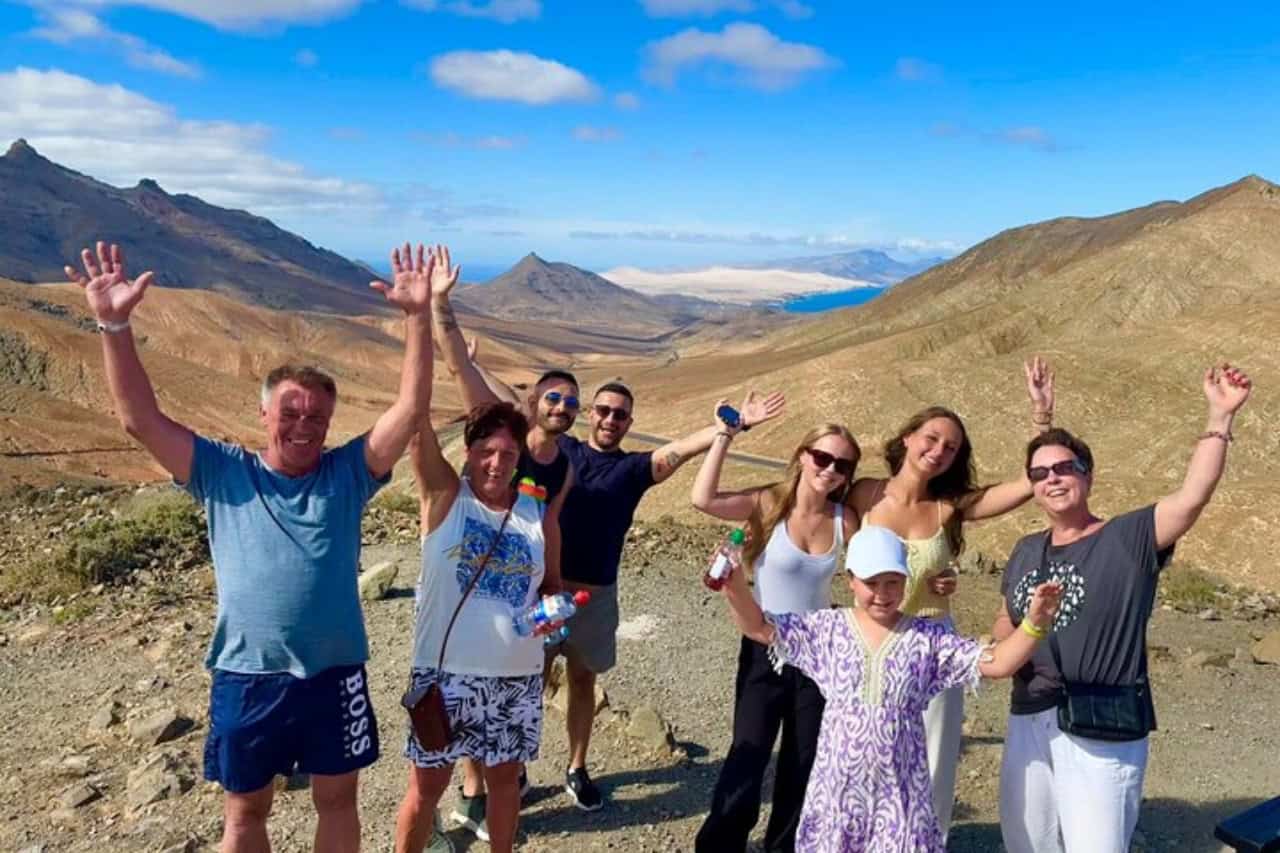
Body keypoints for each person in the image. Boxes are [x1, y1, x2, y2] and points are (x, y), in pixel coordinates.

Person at [65, 241, 439, 853]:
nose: (303, 424)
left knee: (338, 800)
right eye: (290, 411)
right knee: (245, 810)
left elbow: (411, 407)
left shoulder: (347, 474)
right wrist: (113, 323)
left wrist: (419, 319)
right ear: (263, 413)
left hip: (334, 671)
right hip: (246, 673)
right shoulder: (221, 472)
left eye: (317, 416)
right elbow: (137, 418)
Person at [994, 364, 1252, 853]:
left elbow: (1193, 495)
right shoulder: (1027, 548)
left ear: (1088, 476)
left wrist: (1219, 418)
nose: (1052, 479)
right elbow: (1004, 620)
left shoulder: (1127, 538)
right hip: (1028, 715)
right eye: (1040, 474)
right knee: (1027, 842)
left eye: (1066, 468)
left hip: (1100, 722)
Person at [719, 524, 1064, 852]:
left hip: (901, 800)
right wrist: (735, 586)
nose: (883, 594)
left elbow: (998, 663)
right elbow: (760, 627)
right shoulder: (826, 630)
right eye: (872, 582)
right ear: (850, 580)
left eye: (893, 582)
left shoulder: (927, 639)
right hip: (836, 796)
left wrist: (1034, 624)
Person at [551, 381, 785, 809]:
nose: (610, 419)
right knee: (527, 681)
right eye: (603, 410)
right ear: (590, 412)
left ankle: (576, 767)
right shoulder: (560, 450)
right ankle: (513, 768)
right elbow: (515, 408)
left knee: (583, 681)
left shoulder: (631, 470)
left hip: (596, 595)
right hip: (545, 590)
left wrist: (727, 429)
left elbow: (676, 450)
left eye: (620, 415)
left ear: (629, 423)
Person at [846, 356, 1055, 835]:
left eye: (951, 447)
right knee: (868, 751)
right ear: (907, 440)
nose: (939, 451)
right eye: (932, 439)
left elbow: (1028, 484)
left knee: (935, 755)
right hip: (871, 643)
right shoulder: (864, 494)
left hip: (933, 643)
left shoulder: (949, 506)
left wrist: (1042, 417)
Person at [428, 269, 576, 838]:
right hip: (467, 584)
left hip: (525, 593)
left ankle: (499, 782)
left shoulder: (563, 463)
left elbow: (554, 526)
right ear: (534, 401)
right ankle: (472, 793)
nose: (561, 406)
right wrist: (442, 309)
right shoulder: (503, 430)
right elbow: (463, 372)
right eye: (553, 397)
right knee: (467, 682)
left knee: (517, 687)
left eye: (570, 401)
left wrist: (554, 592)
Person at [393, 337, 552, 853]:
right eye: (485, 451)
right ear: (468, 453)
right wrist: (423, 320)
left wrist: (556, 616)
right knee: (427, 789)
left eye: (508, 453)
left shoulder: (537, 513)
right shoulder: (445, 497)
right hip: (446, 678)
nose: (496, 463)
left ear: (520, 457)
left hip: (516, 678)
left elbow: (552, 589)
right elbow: (415, 428)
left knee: (506, 784)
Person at [690, 410, 860, 853]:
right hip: (763, 646)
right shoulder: (768, 503)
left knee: (803, 762)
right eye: (823, 457)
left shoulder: (846, 521)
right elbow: (702, 498)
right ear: (803, 456)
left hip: (818, 654)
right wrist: (727, 433)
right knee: (748, 754)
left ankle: (785, 846)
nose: (830, 470)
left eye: (843, 465)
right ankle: (720, 845)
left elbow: (869, 579)